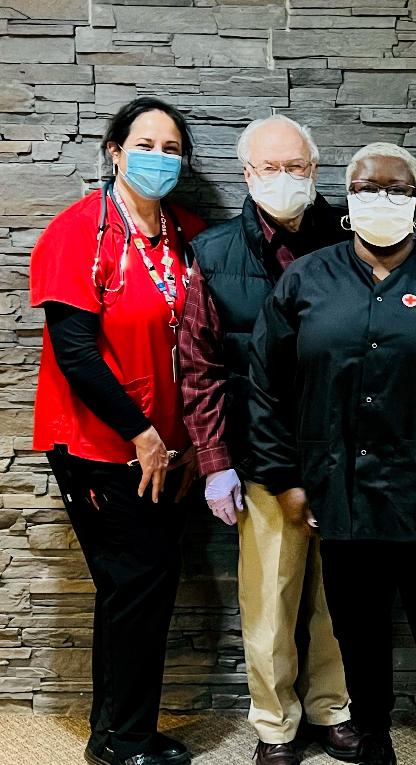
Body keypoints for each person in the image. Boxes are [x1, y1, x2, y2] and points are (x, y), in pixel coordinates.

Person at [248, 142, 416, 765]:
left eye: (397, 188)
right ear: (347, 198)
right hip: (340, 493)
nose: (382, 198)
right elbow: (266, 385)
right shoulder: (305, 280)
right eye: (368, 187)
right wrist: (284, 477)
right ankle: (373, 742)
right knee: (357, 633)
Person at [29, 97, 206, 765]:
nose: (159, 158)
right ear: (114, 151)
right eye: (145, 144)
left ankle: (113, 733)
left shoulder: (187, 232)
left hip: (170, 448)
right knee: (140, 584)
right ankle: (126, 742)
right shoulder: (79, 231)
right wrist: (143, 435)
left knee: (138, 587)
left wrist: (188, 440)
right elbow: (75, 352)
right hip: (103, 447)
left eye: (171, 148)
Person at [178, 115, 358, 765]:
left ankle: (334, 708)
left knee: (340, 597)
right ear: (247, 173)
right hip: (261, 456)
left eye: (297, 167)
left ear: (315, 171)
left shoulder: (353, 239)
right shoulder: (214, 253)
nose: (285, 178)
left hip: (342, 455)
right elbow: (198, 365)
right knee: (269, 602)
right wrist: (214, 460)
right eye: (270, 167)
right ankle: (275, 724)